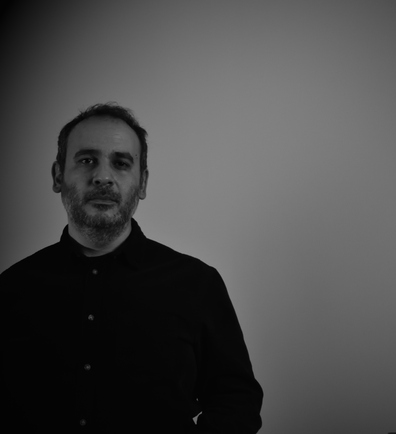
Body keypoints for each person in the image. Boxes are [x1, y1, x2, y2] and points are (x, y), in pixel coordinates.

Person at [0, 103, 263, 433]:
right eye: (86, 160)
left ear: (142, 183)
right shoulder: (11, 289)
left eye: (121, 163)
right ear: (57, 175)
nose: (103, 177)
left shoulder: (197, 284)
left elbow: (236, 400)